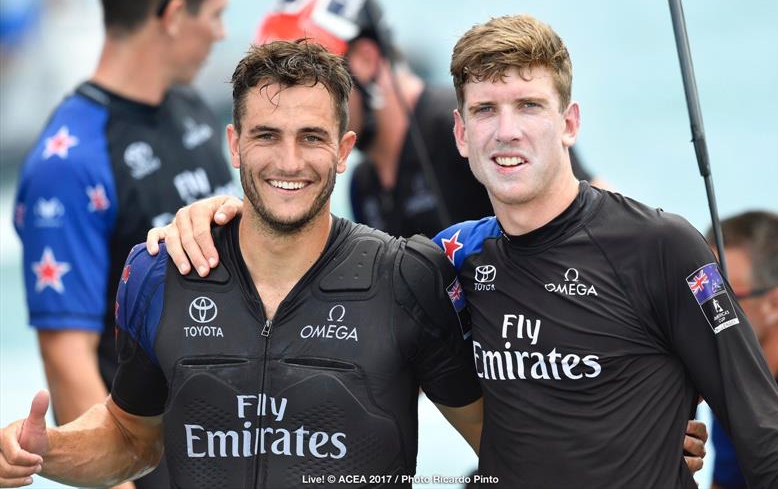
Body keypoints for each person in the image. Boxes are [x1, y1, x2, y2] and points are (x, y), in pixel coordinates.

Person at [142, 14, 778, 488]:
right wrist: (214, 216)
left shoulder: (663, 246)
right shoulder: (452, 258)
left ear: (569, 124)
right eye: (485, 109)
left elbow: (767, 437)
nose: (506, 130)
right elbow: (324, 254)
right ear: (460, 133)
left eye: (529, 105)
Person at [0, 40, 484, 489]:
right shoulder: (161, 274)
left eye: (312, 137)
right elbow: (131, 440)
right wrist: (45, 450)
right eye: (267, 136)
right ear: (234, 144)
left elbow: (504, 445)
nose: (289, 161)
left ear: (342, 151)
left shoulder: (408, 279)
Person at [11, 0, 237, 487]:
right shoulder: (69, 161)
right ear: (176, 14)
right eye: (217, 13)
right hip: (157, 463)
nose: (222, 32)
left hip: (241, 442)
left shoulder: (193, 110)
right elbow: (67, 357)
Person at [255, 0, 608, 239]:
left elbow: (598, 206)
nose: (293, 108)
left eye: (308, 81)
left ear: (365, 61)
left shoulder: (463, 127)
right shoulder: (363, 184)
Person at [706, 211, 778, 489]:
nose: (706, 308)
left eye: (721, 294)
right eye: (701, 292)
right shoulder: (731, 385)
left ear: (775, 304)